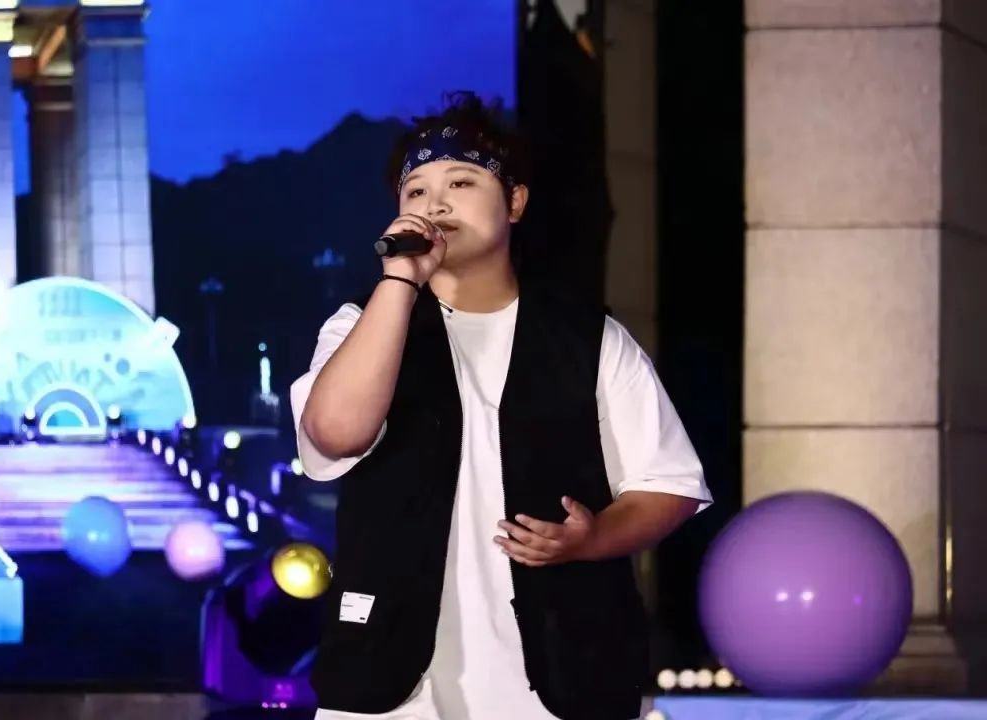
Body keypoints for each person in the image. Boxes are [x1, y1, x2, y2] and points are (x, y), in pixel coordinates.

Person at [290, 92, 711, 720]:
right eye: (415, 191)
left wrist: (592, 538)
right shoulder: (361, 324)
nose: (435, 204)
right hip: (390, 677)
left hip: (562, 672)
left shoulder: (588, 338)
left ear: (514, 201)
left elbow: (668, 486)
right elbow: (335, 433)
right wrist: (401, 280)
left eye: (461, 182)